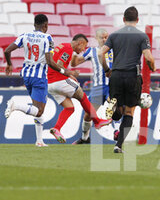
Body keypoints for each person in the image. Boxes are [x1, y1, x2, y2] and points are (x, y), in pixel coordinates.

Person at [3, 14, 77, 147]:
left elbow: (7, 50)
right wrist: (64, 71)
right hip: (39, 77)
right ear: (46, 25)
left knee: (37, 107)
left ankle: (39, 141)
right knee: (40, 110)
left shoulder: (24, 35)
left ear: (34, 24)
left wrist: (9, 64)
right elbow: (50, 61)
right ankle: (15, 106)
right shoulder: (47, 38)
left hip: (26, 75)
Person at [98, 6, 156, 153]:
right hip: (132, 76)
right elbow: (148, 57)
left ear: (123, 19)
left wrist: (107, 70)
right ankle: (118, 145)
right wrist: (152, 66)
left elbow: (100, 54)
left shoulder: (114, 35)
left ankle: (114, 107)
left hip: (116, 75)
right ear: (137, 20)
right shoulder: (142, 36)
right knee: (129, 112)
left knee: (118, 107)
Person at [47, 34, 112, 143]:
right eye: (83, 47)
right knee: (82, 95)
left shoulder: (62, 46)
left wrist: (68, 75)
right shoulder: (68, 48)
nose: (82, 50)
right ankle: (97, 121)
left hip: (50, 84)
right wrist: (70, 72)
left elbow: (54, 63)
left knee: (69, 108)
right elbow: (59, 64)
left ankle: (56, 128)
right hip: (59, 81)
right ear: (80, 43)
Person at [70, 29, 114, 144]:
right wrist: (75, 53)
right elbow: (74, 64)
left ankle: (119, 135)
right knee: (88, 114)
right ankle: (85, 138)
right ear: (96, 38)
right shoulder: (91, 51)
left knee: (116, 108)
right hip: (98, 87)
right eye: (101, 37)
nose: (104, 39)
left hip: (113, 85)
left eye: (106, 37)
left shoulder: (115, 50)